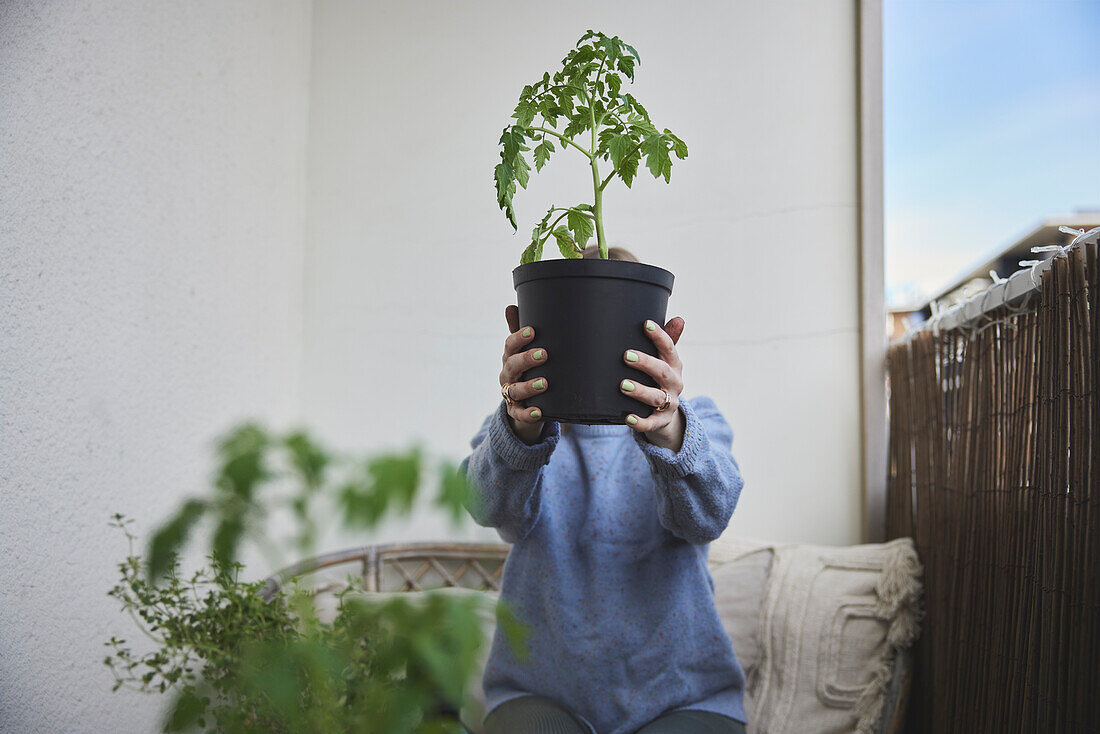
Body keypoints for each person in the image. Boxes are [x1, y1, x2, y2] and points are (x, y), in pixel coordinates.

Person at [459, 245, 747, 734]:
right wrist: (519, 426)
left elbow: (707, 516)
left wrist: (670, 427)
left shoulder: (697, 423)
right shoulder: (516, 430)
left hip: (683, 700)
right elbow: (489, 508)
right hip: (537, 694)